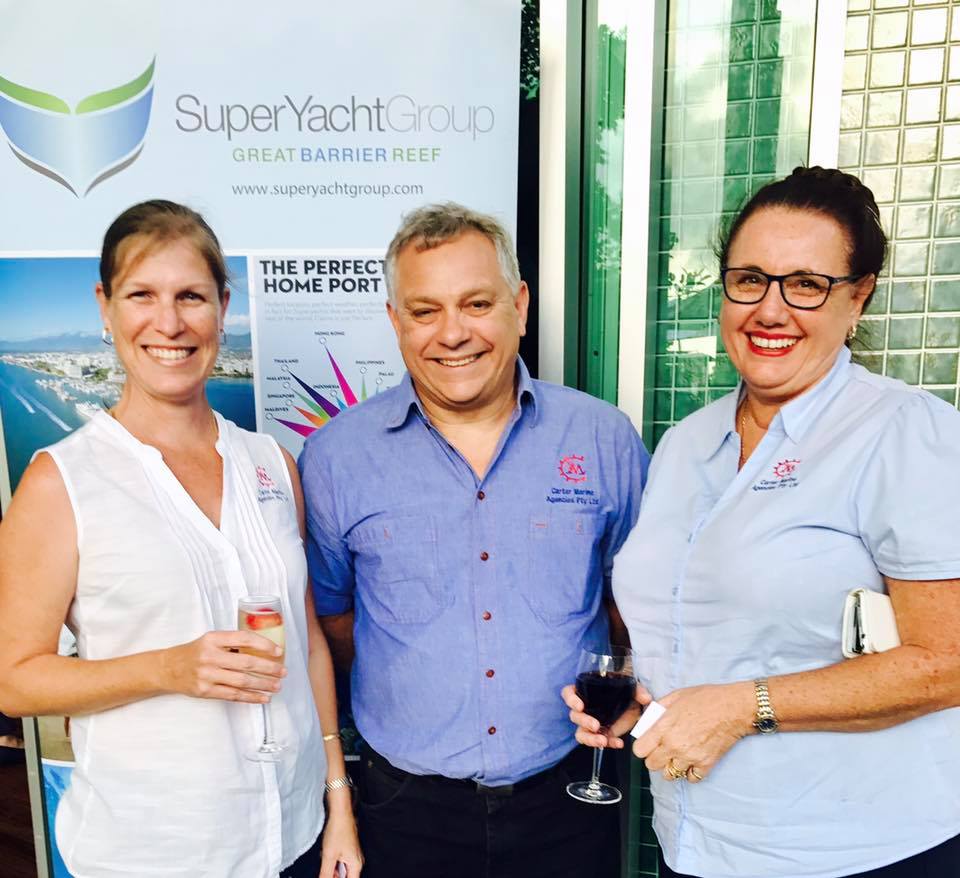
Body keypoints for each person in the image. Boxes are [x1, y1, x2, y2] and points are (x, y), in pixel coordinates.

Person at [564, 166, 960, 878]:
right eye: (749, 279)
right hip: (698, 842)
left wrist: (744, 707)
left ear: (859, 295)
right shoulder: (688, 441)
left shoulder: (904, 433)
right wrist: (642, 700)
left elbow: (948, 661)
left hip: (857, 852)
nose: (770, 310)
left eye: (806, 284)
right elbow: (698, 625)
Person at [0, 200, 362, 878]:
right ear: (105, 307)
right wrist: (168, 668)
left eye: (191, 296)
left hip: (292, 837)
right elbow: (13, 680)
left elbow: (308, 640)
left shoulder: (272, 464)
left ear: (223, 306)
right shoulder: (60, 482)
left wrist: (337, 801)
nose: (169, 323)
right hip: (152, 853)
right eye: (142, 295)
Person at [298, 202, 648, 878]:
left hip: (570, 796)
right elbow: (337, 619)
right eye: (425, 311)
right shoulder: (336, 458)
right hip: (403, 808)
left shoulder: (603, 440)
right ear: (396, 322)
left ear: (519, 304)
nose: (452, 333)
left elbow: (632, 603)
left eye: (476, 303)